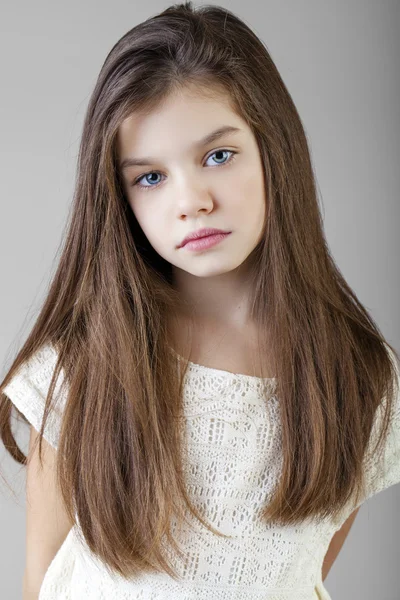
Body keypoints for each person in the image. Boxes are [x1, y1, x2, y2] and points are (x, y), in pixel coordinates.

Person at [0, 2, 399, 599]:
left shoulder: (359, 378)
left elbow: (302, 576)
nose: (192, 201)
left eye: (218, 156)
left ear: (274, 151)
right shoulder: (83, 367)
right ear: (121, 199)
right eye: (150, 177)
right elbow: (39, 581)